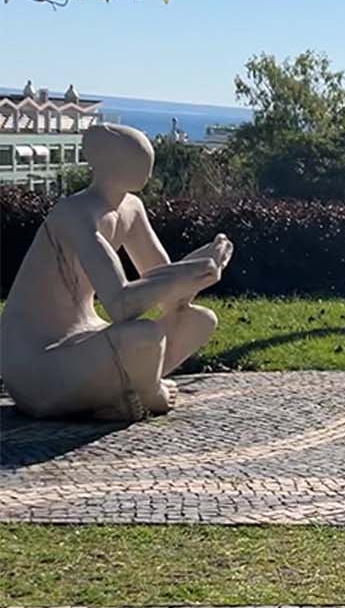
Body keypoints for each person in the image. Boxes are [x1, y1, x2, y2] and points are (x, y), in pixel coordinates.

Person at [1, 124, 232, 421]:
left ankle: (115, 399)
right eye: (137, 158)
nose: (146, 168)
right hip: (37, 370)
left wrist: (204, 266)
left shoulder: (131, 208)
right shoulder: (75, 214)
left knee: (199, 320)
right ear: (106, 162)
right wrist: (186, 274)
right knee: (144, 334)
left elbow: (167, 294)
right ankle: (147, 393)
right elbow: (121, 305)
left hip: (81, 342)